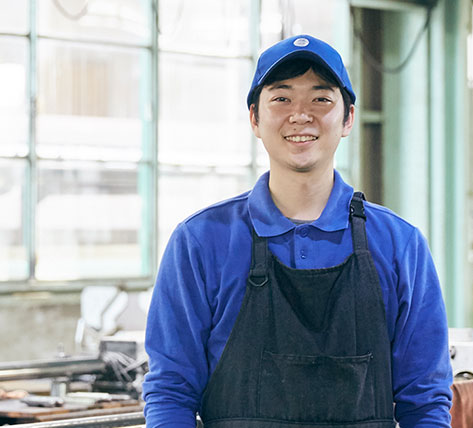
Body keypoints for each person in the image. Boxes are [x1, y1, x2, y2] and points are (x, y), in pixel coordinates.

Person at [143, 34, 453, 428]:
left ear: (348, 118)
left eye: (321, 99)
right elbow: (171, 392)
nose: (301, 115)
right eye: (282, 98)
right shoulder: (201, 241)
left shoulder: (399, 244)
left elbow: (425, 402)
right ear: (255, 118)